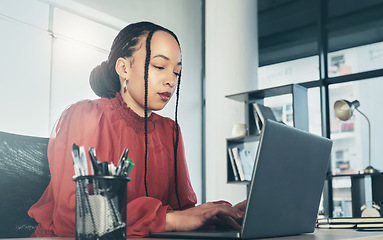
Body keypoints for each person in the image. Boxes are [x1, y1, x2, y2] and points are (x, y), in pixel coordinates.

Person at [28, 21, 246, 238]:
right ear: (124, 68)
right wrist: (168, 219)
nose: (171, 80)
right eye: (160, 67)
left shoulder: (170, 131)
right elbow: (79, 218)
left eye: (177, 72)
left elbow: (180, 213)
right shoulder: (87, 115)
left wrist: (218, 214)